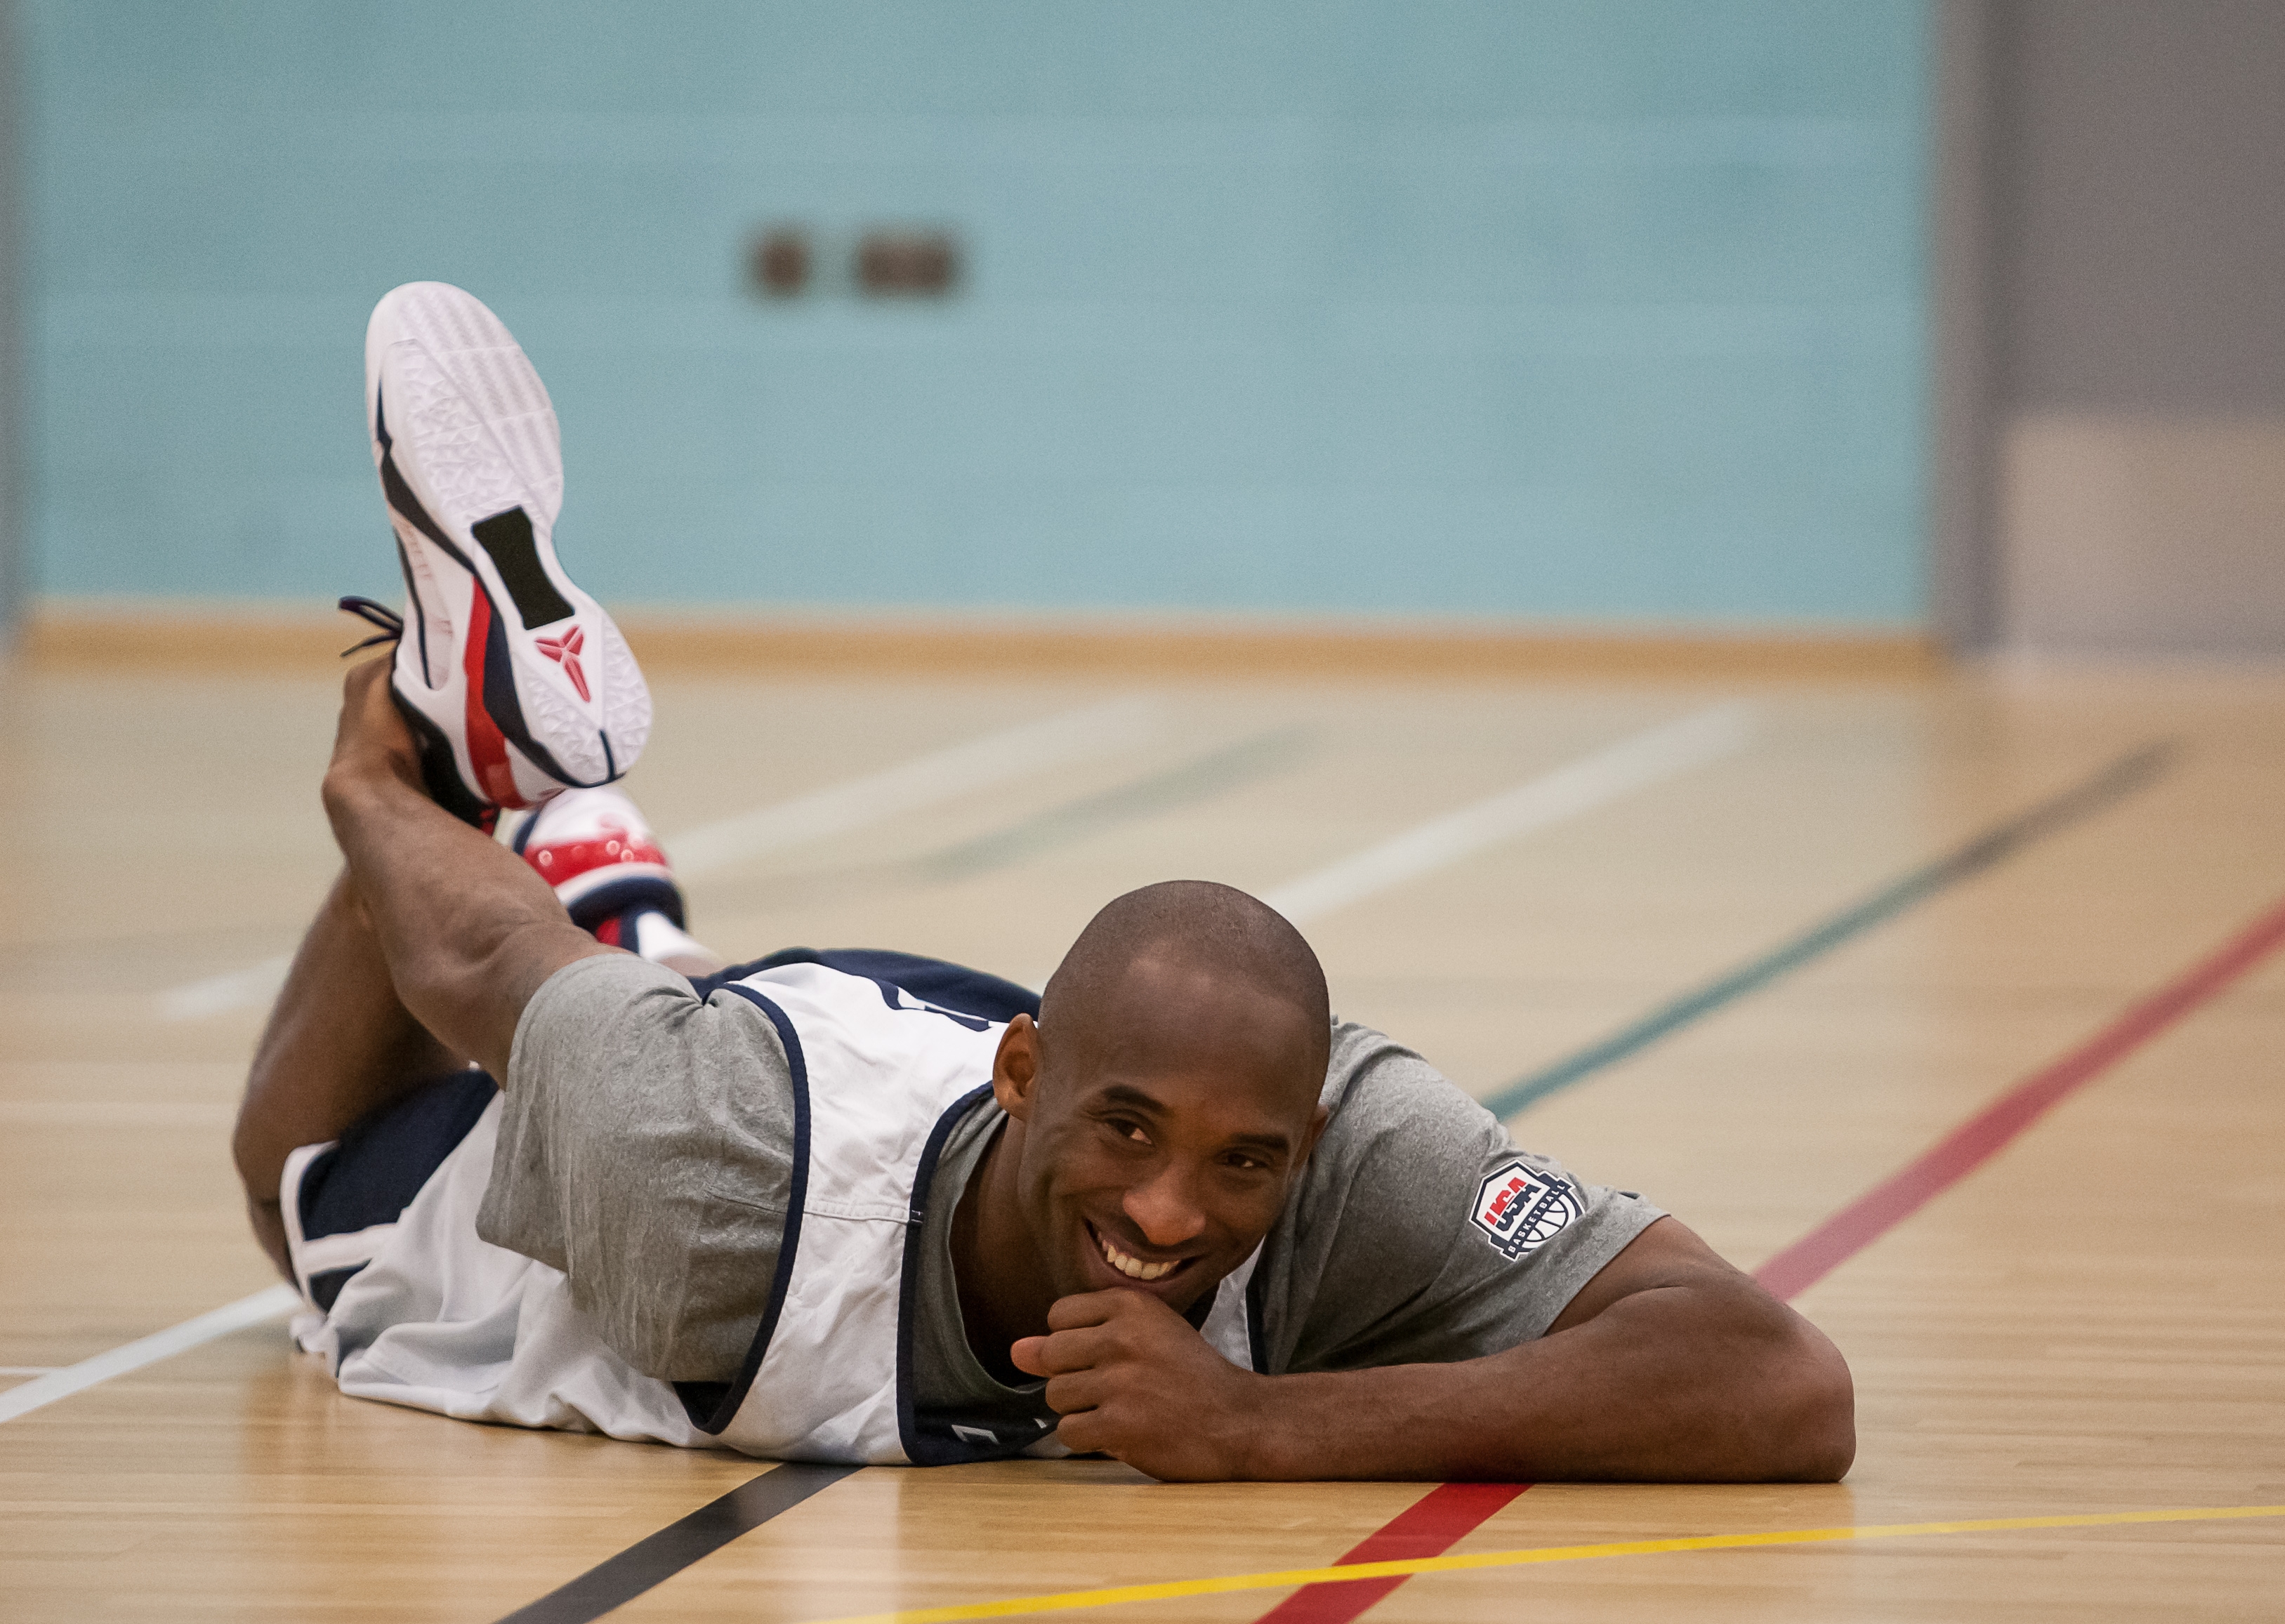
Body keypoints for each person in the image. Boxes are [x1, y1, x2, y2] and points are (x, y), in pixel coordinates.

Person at [230, 283, 1853, 1482]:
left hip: (831, 1041)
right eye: (1129, 1128)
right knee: (293, 1176)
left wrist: (1267, 1421)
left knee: (654, 988)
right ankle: (470, 754)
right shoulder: (704, 1178)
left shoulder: (1346, 1155)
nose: (1169, 1211)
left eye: (1241, 1158)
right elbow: (489, 962)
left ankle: (632, 892)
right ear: (1029, 1068)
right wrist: (382, 790)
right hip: (688, 1138)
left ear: (1310, 1131)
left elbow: (1783, 1384)